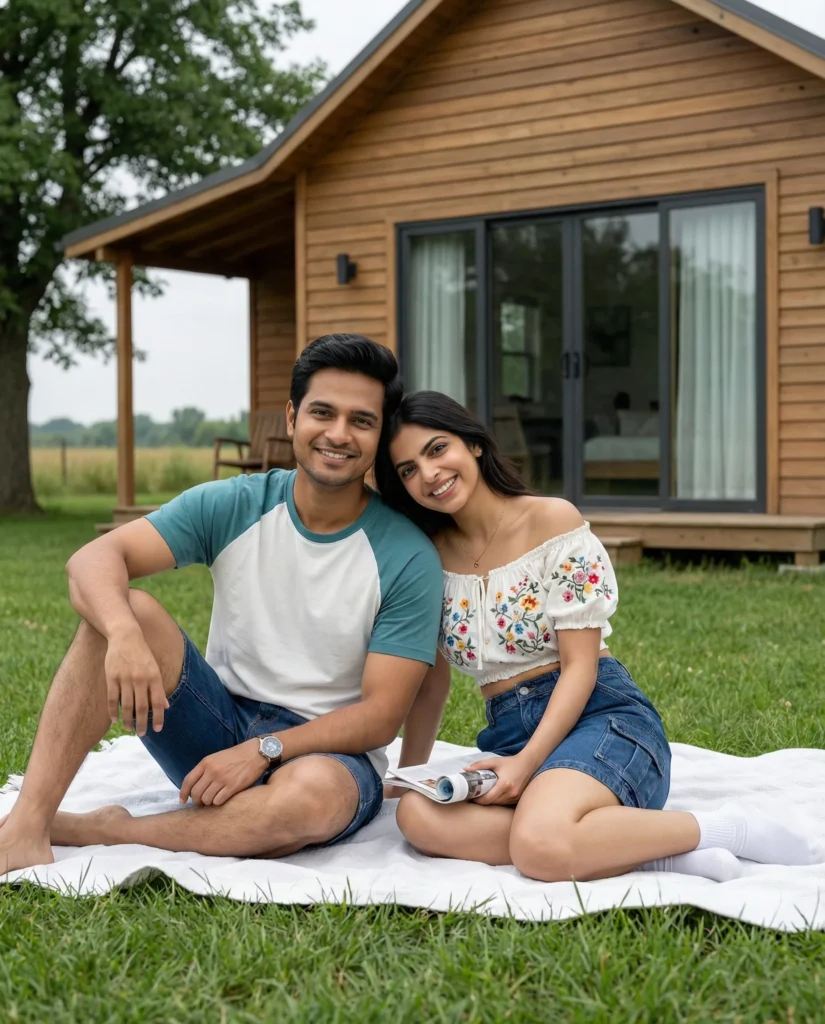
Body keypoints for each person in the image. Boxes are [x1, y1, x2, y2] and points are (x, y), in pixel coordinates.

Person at [0, 336, 446, 875]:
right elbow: (92, 561)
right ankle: (27, 825)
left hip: (328, 756)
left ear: (378, 436)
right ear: (291, 416)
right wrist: (122, 636)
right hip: (215, 727)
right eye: (322, 413)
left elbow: (379, 718)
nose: (338, 434)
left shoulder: (406, 555)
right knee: (127, 610)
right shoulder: (236, 503)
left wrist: (264, 751)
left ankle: (107, 829)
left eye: (361, 421)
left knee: (309, 800)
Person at [375, 391, 819, 882]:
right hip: (509, 734)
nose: (429, 474)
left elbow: (581, 668)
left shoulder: (550, 521)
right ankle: (654, 851)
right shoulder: (430, 555)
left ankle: (727, 829)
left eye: (437, 449)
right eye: (408, 469)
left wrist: (525, 766)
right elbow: (431, 683)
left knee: (537, 844)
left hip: (599, 719)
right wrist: (406, 776)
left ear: (474, 445)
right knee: (417, 816)